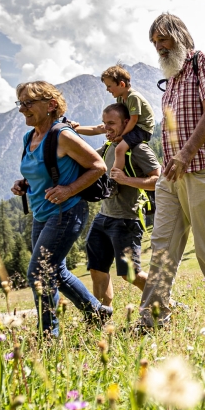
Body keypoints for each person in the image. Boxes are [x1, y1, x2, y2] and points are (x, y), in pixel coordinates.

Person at [138, 13, 205, 329]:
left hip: (203, 169)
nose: (159, 47)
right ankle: (152, 319)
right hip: (172, 177)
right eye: (154, 42)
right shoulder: (171, 76)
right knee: (162, 249)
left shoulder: (204, 61)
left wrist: (185, 154)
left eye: (163, 39)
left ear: (179, 35)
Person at [11, 81, 112, 336]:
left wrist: (68, 190)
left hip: (66, 212)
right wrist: (25, 183)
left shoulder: (63, 135)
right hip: (42, 213)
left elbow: (98, 166)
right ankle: (97, 312)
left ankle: (49, 335)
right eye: (20, 103)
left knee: (39, 272)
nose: (22, 109)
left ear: (51, 105)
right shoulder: (30, 136)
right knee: (56, 270)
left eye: (28, 103)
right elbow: (40, 168)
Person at [86, 103, 160, 305]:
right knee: (97, 269)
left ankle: (165, 303)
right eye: (104, 123)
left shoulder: (138, 149)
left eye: (111, 123)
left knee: (131, 274)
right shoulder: (109, 146)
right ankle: (102, 317)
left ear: (126, 123)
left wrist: (127, 180)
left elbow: (159, 181)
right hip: (103, 217)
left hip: (126, 220)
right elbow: (84, 159)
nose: (106, 128)